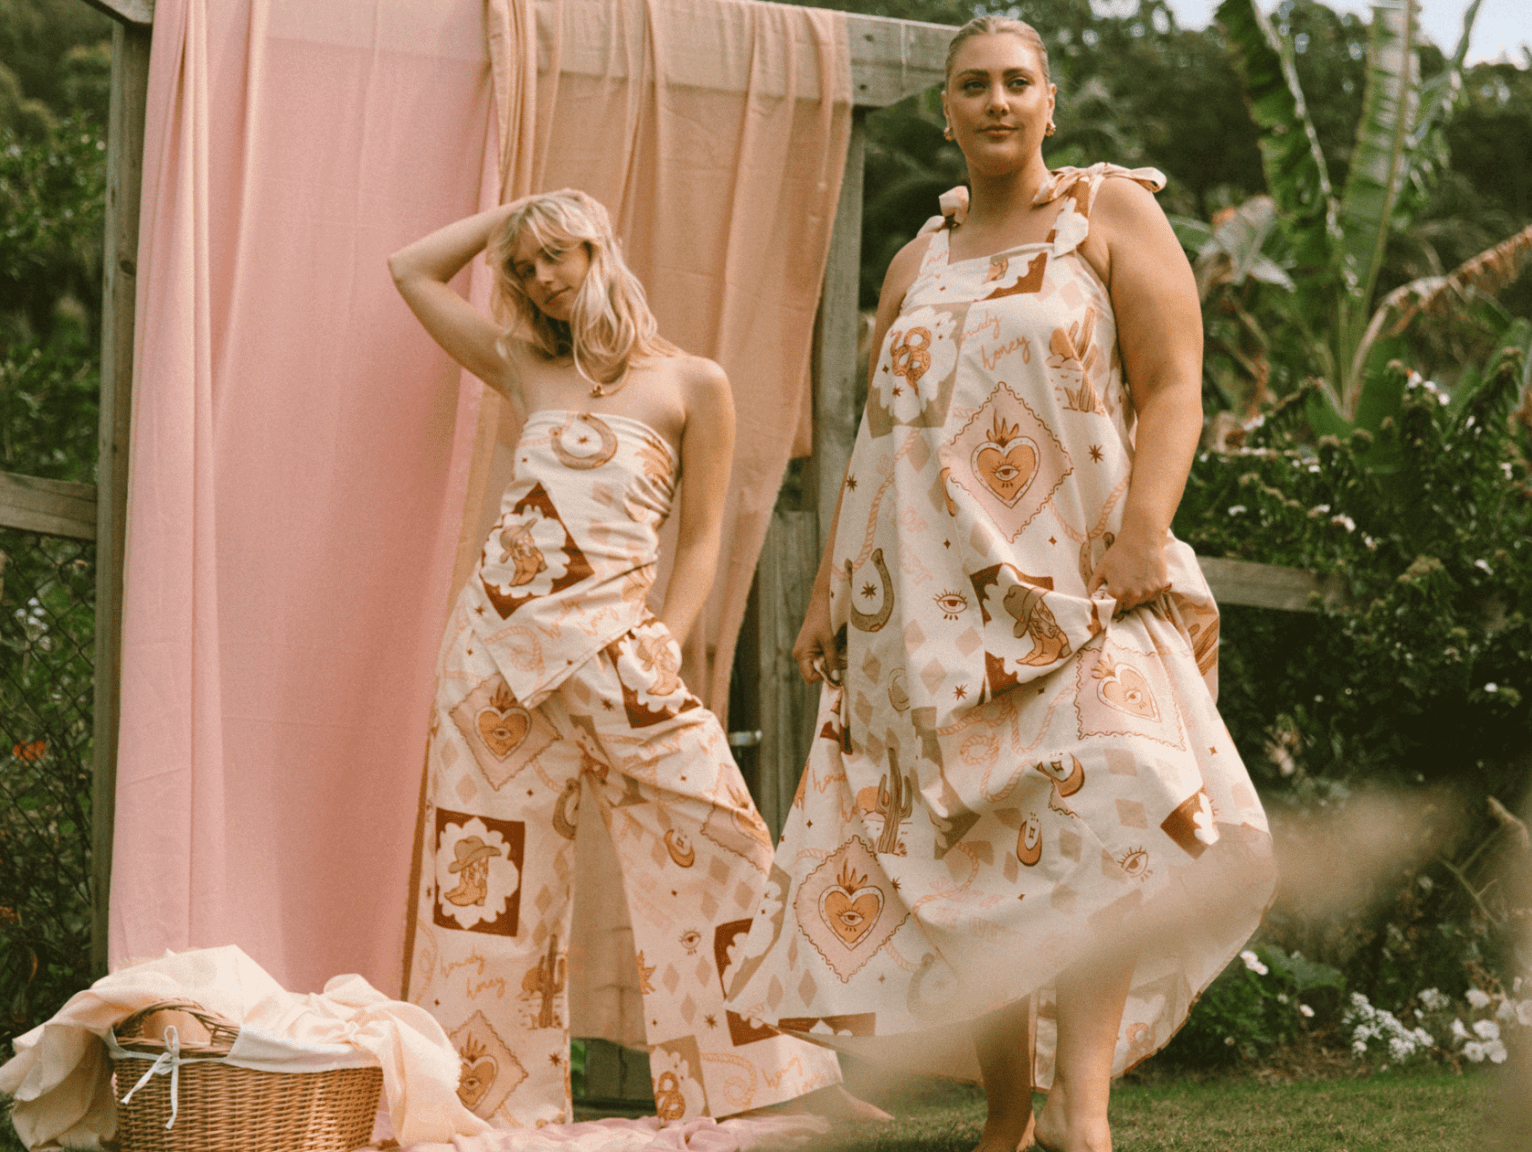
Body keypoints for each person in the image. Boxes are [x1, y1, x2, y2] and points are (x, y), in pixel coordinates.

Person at [723, 17, 1275, 1152]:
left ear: (1049, 102)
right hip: (918, 613)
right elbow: (877, 440)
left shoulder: (1107, 215)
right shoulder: (911, 265)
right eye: (970, 84)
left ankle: (1083, 1115)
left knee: (1114, 805)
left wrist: (1142, 534)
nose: (993, 100)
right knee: (962, 856)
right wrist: (829, 587)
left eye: (1015, 81)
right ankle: (1005, 1119)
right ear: (944, 109)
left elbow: (1174, 385)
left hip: (1077, 590)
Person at [388, 189, 870, 1128]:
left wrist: (666, 639)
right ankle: (495, 1108)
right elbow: (411, 270)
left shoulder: (694, 384)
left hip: (615, 649)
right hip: (492, 652)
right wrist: (515, 215)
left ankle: (772, 1088)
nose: (538, 279)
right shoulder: (526, 364)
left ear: (600, 246)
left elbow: (700, 542)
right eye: (523, 270)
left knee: (724, 839)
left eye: (555, 255)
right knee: (484, 884)